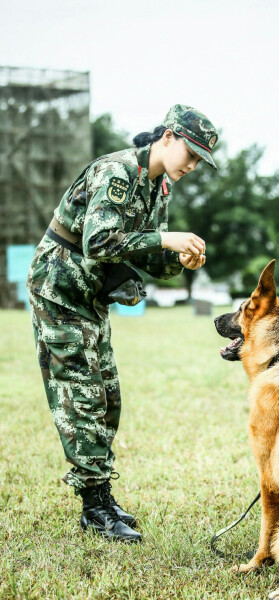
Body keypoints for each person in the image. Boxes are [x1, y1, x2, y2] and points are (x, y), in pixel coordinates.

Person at [27, 104, 218, 543]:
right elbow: (98, 241)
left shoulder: (159, 188)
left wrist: (179, 259)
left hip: (91, 296)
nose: (191, 165)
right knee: (85, 397)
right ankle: (94, 509)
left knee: (109, 395)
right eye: (190, 153)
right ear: (168, 137)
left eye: (199, 160)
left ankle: (103, 497)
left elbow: (145, 254)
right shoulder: (117, 172)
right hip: (59, 289)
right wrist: (167, 238)